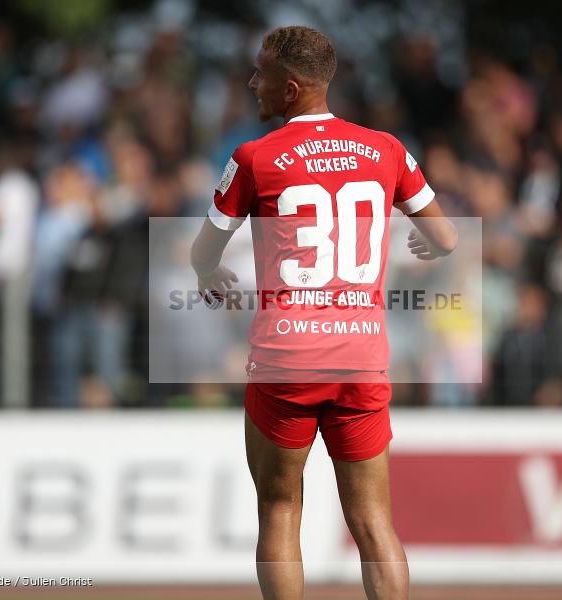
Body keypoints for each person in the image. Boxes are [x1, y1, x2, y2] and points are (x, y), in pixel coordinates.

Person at [190, 26, 457, 600]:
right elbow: (448, 239)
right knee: (372, 522)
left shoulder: (254, 156)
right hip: (360, 356)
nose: (251, 83)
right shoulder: (386, 148)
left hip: (288, 356)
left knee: (281, 510)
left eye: (260, 74)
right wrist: (426, 247)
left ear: (290, 90)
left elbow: (204, 250)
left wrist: (207, 274)